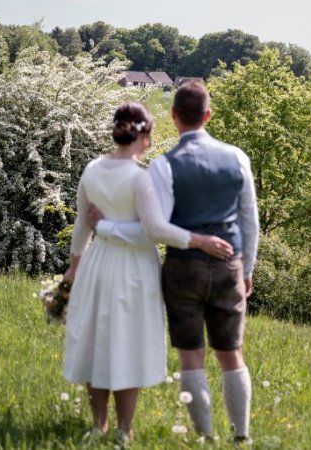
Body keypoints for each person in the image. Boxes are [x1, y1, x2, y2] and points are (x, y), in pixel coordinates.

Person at [90, 81, 259, 444]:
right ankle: (241, 436)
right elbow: (250, 220)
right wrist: (246, 270)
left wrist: (104, 226)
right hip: (229, 264)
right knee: (232, 353)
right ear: (208, 115)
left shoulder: (163, 166)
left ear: (173, 116)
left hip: (184, 268)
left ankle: (205, 437)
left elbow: (157, 228)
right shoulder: (238, 158)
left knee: (191, 356)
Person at [62, 102, 234, 444]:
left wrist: (74, 266)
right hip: (133, 270)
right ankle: (124, 430)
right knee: (126, 344)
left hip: (98, 263)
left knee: (97, 341)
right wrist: (200, 241)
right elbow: (154, 230)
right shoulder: (139, 178)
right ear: (144, 136)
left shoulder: (92, 170)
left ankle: (98, 425)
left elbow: (82, 224)